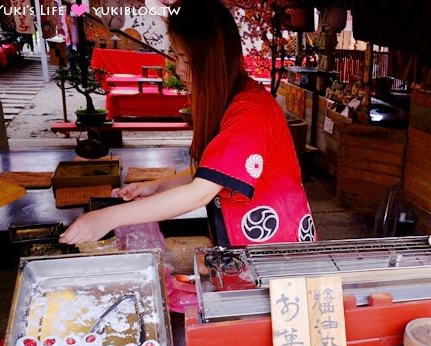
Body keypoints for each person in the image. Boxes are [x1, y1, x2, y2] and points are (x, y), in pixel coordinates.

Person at [60, 0, 316, 247]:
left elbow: (201, 192)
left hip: (275, 245)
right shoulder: (231, 99)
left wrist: (105, 218)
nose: (179, 69)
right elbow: (211, 170)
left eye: (187, 59)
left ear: (213, 58)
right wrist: (157, 185)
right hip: (246, 237)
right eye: (176, 56)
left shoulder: (250, 111)